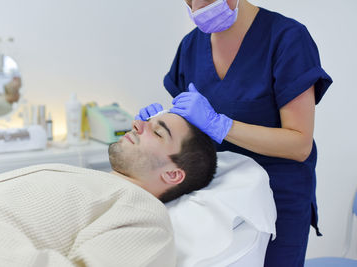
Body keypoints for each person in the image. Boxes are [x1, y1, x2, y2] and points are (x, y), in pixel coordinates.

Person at [136, 1, 333, 266]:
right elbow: (190, 129)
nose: (195, 7)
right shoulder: (191, 46)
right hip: (214, 199)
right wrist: (159, 122)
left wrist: (221, 125)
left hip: (278, 202)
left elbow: (299, 144)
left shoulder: (287, 39)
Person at [0, 112, 217, 267]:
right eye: (147, 121)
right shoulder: (99, 186)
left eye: (158, 132)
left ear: (172, 173)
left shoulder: (147, 217)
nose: (138, 123)